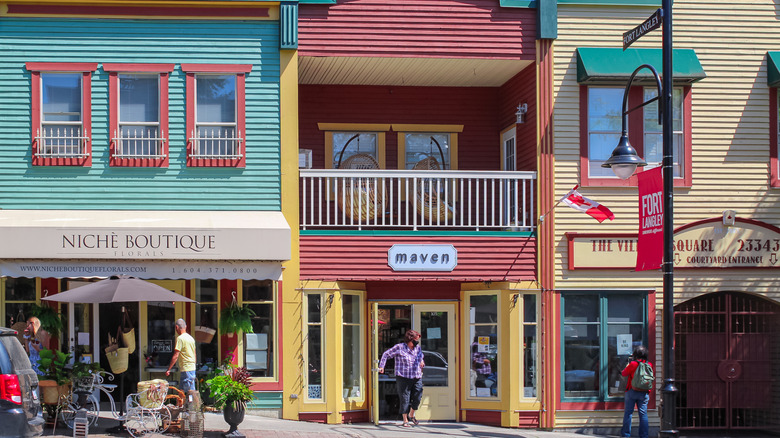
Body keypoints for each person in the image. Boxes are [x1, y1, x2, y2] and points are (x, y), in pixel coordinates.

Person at [378, 329, 425, 428]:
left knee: (418, 396)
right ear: (410, 339)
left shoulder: (418, 348)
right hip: (403, 376)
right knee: (405, 398)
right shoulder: (400, 347)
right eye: (415, 340)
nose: (417, 342)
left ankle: (411, 414)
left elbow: (421, 357)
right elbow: (386, 354)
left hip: (416, 376)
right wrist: (382, 366)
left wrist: (422, 361)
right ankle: (405, 419)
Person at [621, 345, 653, 438]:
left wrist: (628, 365)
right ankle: (644, 435)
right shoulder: (649, 364)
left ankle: (626, 435)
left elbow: (624, 373)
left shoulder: (633, 364)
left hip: (631, 391)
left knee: (628, 413)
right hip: (644, 392)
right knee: (643, 414)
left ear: (635, 354)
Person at [165, 318, 197, 391]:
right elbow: (194, 354)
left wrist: (169, 369)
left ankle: (195, 402)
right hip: (191, 367)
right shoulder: (191, 338)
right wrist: (194, 365)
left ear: (176, 327)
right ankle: (179, 402)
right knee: (181, 391)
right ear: (185, 327)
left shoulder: (180, 338)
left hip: (186, 368)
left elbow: (176, 355)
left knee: (190, 392)